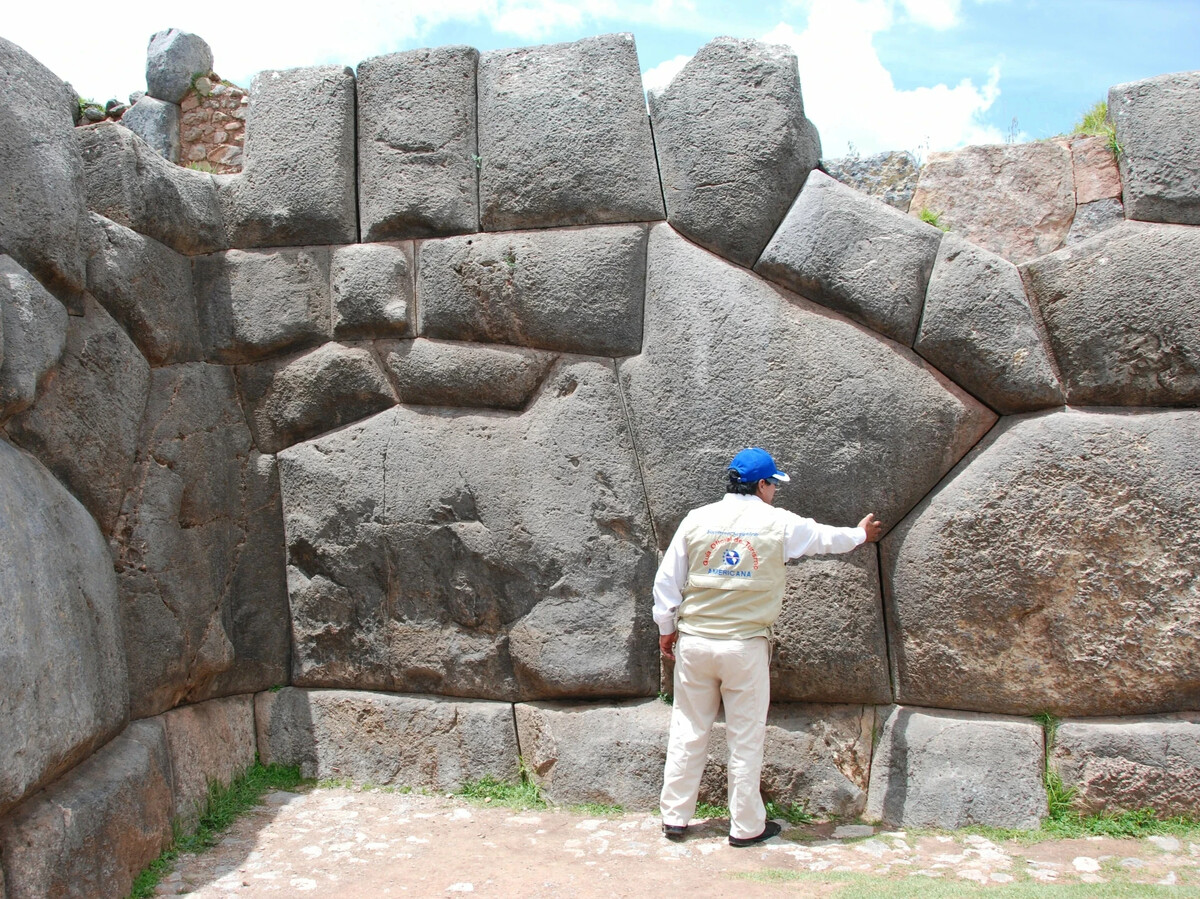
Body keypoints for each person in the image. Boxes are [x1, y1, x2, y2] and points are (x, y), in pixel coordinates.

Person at [653, 447, 882, 847]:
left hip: (696, 642)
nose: (775, 491)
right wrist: (862, 534)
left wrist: (666, 628)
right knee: (745, 736)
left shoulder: (696, 519)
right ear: (761, 484)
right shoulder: (778, 523)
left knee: (688, 728)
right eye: (773, 484)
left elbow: (667, 582)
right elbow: (826, 538)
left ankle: (675, 818)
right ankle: (745, 828)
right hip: (744, 646)